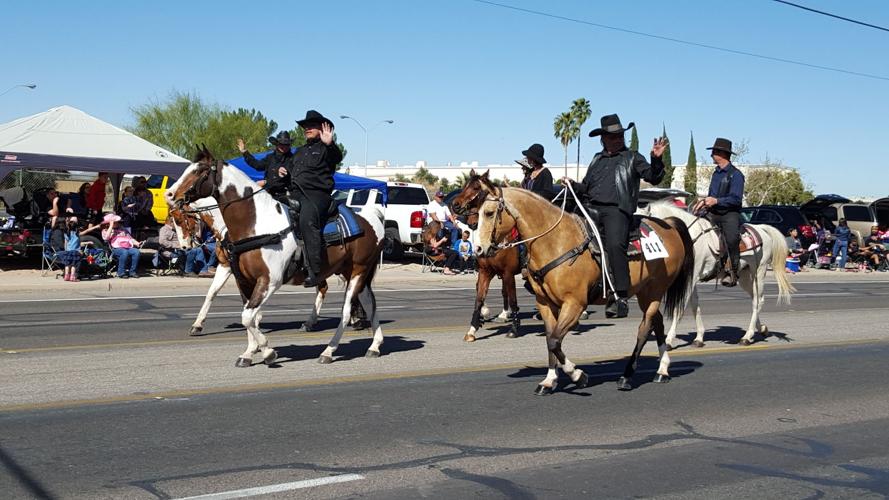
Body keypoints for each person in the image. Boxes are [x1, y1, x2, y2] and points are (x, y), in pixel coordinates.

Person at [562, 114, 667, 318]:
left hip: (617, 210)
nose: (617, 139)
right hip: (590, 208)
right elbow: (586, 187)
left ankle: (619, 296)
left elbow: (653, 177)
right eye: (612, 137)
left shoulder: (633, 158)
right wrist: (572, 185)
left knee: (614, 244)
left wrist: (656, 159)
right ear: (603, 139)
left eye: (619, 136)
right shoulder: (596, 159)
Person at [276, 111, 342, 288]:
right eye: (306, 126)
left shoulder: (326, 149)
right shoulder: (300, 151)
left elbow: (337, 158)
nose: (307, 129)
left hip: (317, 195)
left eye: (311, 126)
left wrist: (330, 144)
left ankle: (315, 270)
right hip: (295, 193)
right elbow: (291, 173)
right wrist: (283, 173)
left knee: (307, 219)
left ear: (322, 129)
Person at [695, 137, 745, 287]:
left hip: (729, 213)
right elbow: (712, 195)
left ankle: (733, 272)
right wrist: (704, 202)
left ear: (723, 154)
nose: (712, 155)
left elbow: (736, 199)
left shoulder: (736, 175)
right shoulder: (715, 173)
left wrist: (717, 201)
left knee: (731, 238)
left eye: (714, 152)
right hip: (713, 212)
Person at [238, 131, 294, 203]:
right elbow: (257, 165)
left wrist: (266, 182)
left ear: (289, 145)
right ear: (277, 144)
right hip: (267, 196)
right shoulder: (270, 157)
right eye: (281, 144)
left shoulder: (293, 159)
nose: (284, 147)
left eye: (286, 144)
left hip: (285, 197)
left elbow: (287, 178)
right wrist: (244, 152)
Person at [101, 213, 142, 279]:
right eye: (115, 222)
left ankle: (132, 272)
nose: (117, 223)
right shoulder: (105, 230)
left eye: (117, 222)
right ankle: (121, 272)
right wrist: (111, 226)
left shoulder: (122, 229)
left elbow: (130, 238)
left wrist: (137, 243)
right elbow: (106, 238)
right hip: (115, 249)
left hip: (126, 246)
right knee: (124, 252)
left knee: (136, 252)